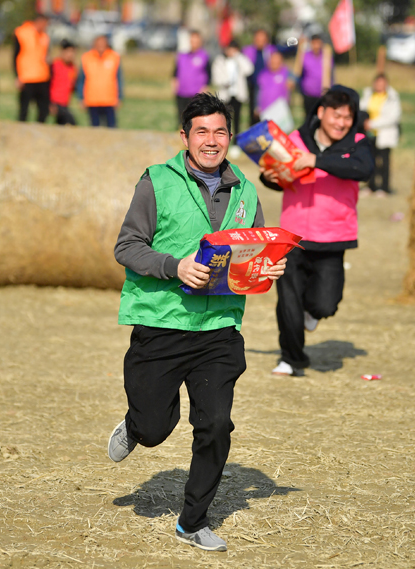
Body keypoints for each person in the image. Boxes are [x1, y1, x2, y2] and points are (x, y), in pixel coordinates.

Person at [107, 93, 286, 552]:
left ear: (230, 137)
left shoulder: (246, 191)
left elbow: (250, 255)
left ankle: (193, 521)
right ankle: (136, 425)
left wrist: (265, 268)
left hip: (219, 330)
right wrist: (175, 266)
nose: (211, 140)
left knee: (217, 424)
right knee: (154, 428)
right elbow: (127, 247)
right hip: (161, 323)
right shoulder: (156, 182)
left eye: (220, 131)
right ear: (184, 136)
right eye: (201, 131)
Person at [258, 86, 374, 377]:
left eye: (347, 117)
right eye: (336, 115)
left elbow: (363, 169)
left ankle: (311, 312)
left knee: (325, 303)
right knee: (288, 300)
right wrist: (269, 178)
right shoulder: (295, 140)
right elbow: (281, 177)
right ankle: (291, 359)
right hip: (293, 235)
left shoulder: (358, 144)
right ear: (321, 112)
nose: (341, 123)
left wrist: (316, 160)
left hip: (333, 236)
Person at [360, 73, 401, 196]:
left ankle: (384, 187)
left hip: (385, 134)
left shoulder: (392, 97)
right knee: (370, 160)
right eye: (377, 82)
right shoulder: (368, 94)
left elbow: (393, 117)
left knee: (384, 162)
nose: (379, 85)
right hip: (370, 133)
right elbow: (362, 109)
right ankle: (371, 186)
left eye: (382, 83)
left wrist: (372, 124)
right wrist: (364, 122)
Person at [76, 35, 122, 128]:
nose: (101, 46)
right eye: (98, 43)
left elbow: (119, 79)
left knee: (111, 127)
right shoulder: (87, 57)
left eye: (103, 43)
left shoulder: (114, 57)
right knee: (94, 128)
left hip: (109, 100)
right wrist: (81, 98)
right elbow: (81, 80)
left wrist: (119, 97)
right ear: (94, 44)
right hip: (92, 100)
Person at [211, 40, 253, 138]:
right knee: (224, 119)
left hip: (237, 94)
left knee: (237, 118)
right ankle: (223, 138)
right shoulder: (220, 60)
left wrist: (238, 56)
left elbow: (249, 69)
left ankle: (236, 139)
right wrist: (225, 82)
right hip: (224, 94)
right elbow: (216, 78)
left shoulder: (239, 60)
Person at [14, 13, 51, 123]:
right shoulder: (22, 33)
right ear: (38, 22)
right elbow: (15, 56)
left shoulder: (45, 36)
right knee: (24, 110)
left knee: (43, 110)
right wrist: (17, 76)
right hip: (27, 77)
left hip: (42, 77)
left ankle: (39, 130)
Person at [173, 30, 210, 126]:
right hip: (182, 92)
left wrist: (204, 89)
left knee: (194, 119)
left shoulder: (204, 56)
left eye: (196, 40)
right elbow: (175, 73)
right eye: (192, 40)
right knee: (181, 118)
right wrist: (174, 86)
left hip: (196, 94)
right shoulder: (182, 56)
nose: (194, 43)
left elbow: (209, 75)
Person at [242, 29, 276, 125]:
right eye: (258, 39)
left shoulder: (271, 51)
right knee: (253, 111)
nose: (260, 41)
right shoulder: (248, 51)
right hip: (253, 84)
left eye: (263, 39)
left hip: (267, 86)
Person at [255, 51, 294, 120]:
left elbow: (294, 82)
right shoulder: (263, 74)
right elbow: (258, 92)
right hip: (265, 111)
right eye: (272, 60)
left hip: (280, 112)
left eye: (276, 61)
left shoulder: (286, 73)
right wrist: (257, 106)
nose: (274, 62)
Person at [300, 34, 331, 116]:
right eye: (314, 43)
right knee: (309, 116)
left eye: (318, 43)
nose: (316, 46)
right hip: (308, 94)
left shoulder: (326, 56)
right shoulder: (305, 56)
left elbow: (331, 74)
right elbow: (299, 73)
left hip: (322, 94)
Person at [50, 40, 77, 126]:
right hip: (54, 103)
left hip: (65, 103)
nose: (70, 55)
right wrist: (50, 103)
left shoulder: (73, 68)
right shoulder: (55, 65)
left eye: (72, 52)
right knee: (71, 121)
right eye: (68, 52)